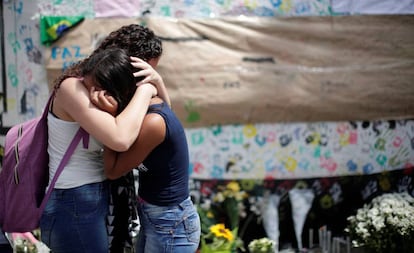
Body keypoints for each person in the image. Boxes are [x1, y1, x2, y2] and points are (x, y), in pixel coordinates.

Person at [39, 24, 169, 253]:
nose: (141, 83)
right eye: (141, 74)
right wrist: (147, 90)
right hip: (72, 199)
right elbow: (119, 139)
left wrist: (158, 83)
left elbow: (165, 119)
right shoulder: (74, 87)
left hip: (95, 196)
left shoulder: (111, 91)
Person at [91, 49, 201, 253]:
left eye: (103, 90)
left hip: (171, 225)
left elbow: (113, 170)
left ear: (120, 90)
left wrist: (108, 115)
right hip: (157, 217)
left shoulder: (153, 122)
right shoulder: (145, 111)